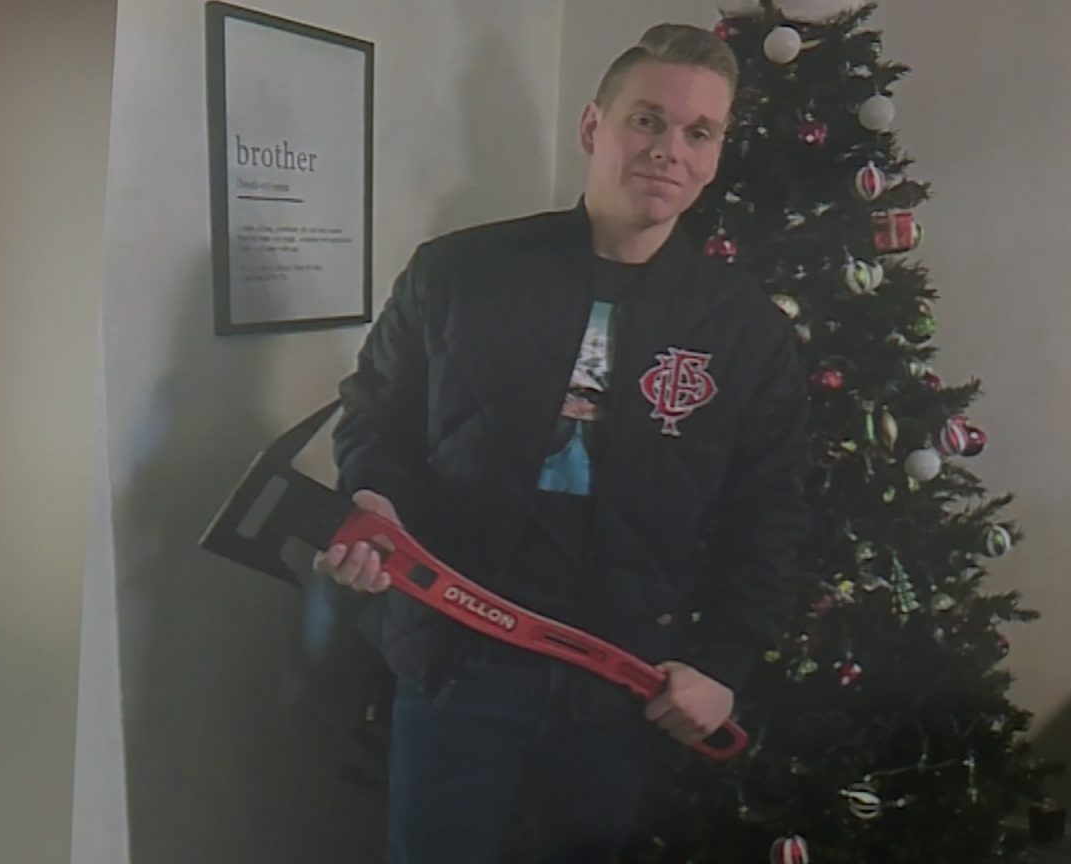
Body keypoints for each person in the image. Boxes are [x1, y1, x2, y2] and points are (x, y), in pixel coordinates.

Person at [315, 22, 812, 864]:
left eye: (699, 133)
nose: (669, 150)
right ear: (594, 127)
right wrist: (373, 500)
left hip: (623, 682)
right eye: (647, 119)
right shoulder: (456, 274)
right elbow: (375, 418)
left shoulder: (748, 332)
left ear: (718, 154)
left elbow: (768, 515)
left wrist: (721, 662)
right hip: (456, 662)